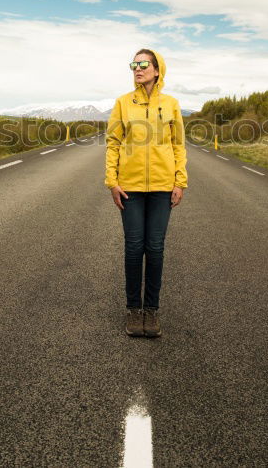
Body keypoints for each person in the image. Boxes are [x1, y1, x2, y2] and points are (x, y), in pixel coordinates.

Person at [104, 48, 187, 338]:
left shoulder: (172, 104)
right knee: (133, 247)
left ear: (156, 69)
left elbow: (178, 145)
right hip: (131, 188)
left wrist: (180, 182)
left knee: (155, 248)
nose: (137, 69)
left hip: (163, 187)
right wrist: (112, 181)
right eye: (133, 65)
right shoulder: (123, 104)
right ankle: (132, 309)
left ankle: (151, 311)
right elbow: (113, 143)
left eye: (143, 64)